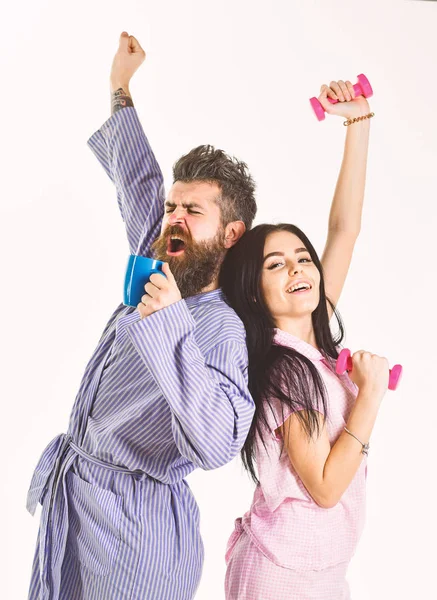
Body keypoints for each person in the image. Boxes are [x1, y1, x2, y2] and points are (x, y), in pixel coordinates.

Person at [27, 32, 256, 600]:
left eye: (191, 211)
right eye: (172, 207)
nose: (173, 218)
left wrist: (170, 322)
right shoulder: (160, 268)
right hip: (79, 503)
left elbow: (217, 441)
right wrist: (121, 88)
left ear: (231, 234)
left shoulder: (220, 326)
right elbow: (137, 184)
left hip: (138, 534)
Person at [220, 81, 383, 599]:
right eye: (276, 264)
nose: (298, 268)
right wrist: (371, 396)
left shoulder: (315, 340)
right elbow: (326, 486)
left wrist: (358, 122)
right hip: (280, 578)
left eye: (302, 258)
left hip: (320, 575)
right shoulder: (286, 370)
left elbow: (344, 229)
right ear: (256, 291)